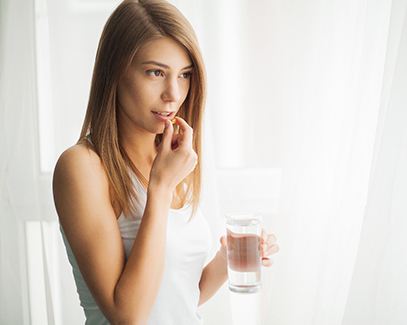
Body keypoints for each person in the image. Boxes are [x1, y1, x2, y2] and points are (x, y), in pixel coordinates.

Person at [52, 0, 279, 324]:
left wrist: (228, 257)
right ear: (115, 71)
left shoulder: (171, 158)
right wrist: (160, 188)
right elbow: (128, 313)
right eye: (156, 72)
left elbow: (179, 297)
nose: (173, 93)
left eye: (184, 75)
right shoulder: (82, 167)